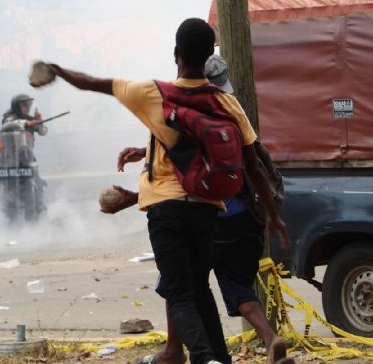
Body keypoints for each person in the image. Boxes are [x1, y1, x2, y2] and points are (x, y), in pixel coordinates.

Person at [32, 18, 288, 364]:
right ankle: (213, 358)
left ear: (176, 53)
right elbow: (254, 165)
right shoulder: (227, 104)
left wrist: (58, 70)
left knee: (179, 292)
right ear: (209, 53)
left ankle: (200, 356)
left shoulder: (155, 94)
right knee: (197, 290)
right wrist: (273, 214)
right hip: (208, 209)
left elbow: (93, 83)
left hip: (166, 210)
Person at [109, 55, 291, 364]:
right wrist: (272, 215)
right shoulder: (231, 110)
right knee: (238, 288)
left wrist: (132, 195)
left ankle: (175, 350)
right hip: (246, 218)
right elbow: (252, 165)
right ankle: (271, 339)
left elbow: (180, 165)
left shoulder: (183, 112)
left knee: (177, 282)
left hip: (213, 216)